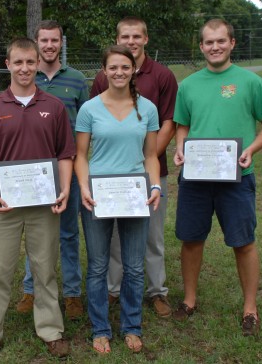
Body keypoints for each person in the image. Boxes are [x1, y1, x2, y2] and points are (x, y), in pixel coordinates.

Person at [172, 18, 262, 337]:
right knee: (191, 239)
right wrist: (179, 148)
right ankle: (189, 301)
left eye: (221, 41)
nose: (214, 47)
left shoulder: (250, 82)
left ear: (232, 43)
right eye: (208, 42)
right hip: (196, 179)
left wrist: (252, 150)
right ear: (201, 46)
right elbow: (182, 125)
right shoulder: (189, 85)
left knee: (243, 242)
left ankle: (250, 309)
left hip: (238, 176)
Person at [0, 38, 74, 361]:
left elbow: (65, 154)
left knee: (45, 270)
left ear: (37, 65)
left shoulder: (53, 107)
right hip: (6, 204)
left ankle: (50, 330)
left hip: (44, 205)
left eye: (31, 62)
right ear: (8, 64)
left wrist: (65, 188)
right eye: (19, 63)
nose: (25, 68)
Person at [75, 45, 161, 354]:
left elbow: (151, 155)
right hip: (98, 196)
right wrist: (83, 186)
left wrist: (155, 187)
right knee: (98, 266)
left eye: (125, 67)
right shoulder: (90, 109)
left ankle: (131, 326)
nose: (119, 72)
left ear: (134, 69)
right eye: (113, 67)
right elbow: (80, 156)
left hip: (135, 195)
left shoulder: (147, 109)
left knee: (134, 267)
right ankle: (100, 328)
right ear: (104, 71)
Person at [90, 16, 177, 317]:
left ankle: (157, 292)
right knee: (114, 237)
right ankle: (114, 290)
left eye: (136, 36)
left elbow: (168, 123)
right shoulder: (105, 77)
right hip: (112, 176)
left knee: (151, 235)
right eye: (125, 36)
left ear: (146, 39)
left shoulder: (163, 75)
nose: (131, 41)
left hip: (151, 173)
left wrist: (144, 160)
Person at [16, 20, 89, 319]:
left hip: (66, 167)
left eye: (54, 40)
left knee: (69, 233)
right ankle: (30, 290)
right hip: (33, 170)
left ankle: (72, 294)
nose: (49, 45)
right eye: (43, 40)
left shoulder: (77, 80)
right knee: (35, 233)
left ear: (61, 43)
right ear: (36, 43)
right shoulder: (27, 80)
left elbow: (86, 126)